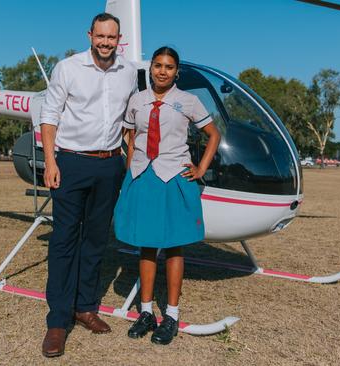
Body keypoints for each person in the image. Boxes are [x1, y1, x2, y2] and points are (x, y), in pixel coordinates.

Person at [39, 13, 138, 357]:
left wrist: (130, 162)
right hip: (71, 162)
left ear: (119, 39)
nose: (106, 43)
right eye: (100, 37)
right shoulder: (67, 68)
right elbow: (49, 116)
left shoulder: (128, 73)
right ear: (90, 35)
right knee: (64, 240)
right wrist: (50, 162)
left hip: (110, 164)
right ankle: (57, 320)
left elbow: (130, 121)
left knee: (96, 240)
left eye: (112, 38)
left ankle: (84, 308)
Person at [114, 46, 220, 345]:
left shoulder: (188, 101)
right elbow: (131, 136)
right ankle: (146, 312)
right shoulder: (137, 100)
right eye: (158, 66)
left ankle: (171, 314)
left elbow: (214, 134)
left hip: (174, 175)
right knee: (146, 246)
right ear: (151, 69)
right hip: (144, 176)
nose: (162, 71)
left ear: (177, 71)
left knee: (174, 247)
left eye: (169, 67)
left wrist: (200, 167)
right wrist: (131, 167)